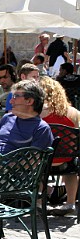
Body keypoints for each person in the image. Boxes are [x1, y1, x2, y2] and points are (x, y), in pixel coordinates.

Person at [39, 76, 79, 216]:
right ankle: (70, 202)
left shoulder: (37, 112)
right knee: (72, 168)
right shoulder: (74, 112)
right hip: (67, 161)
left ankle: (38, 202)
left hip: (43, 162)